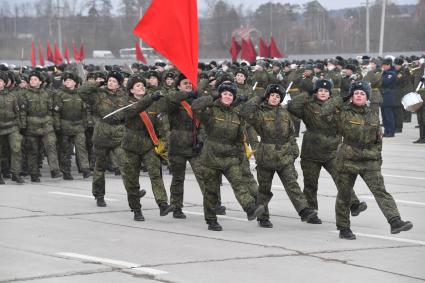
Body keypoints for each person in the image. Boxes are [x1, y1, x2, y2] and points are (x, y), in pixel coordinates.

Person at [321, 81, 413, 240]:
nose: (358, 95)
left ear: (367, 97)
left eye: (362, 93)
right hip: (348, 158)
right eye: (356, 93)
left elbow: (378, 139)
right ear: (351, 96)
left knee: (381, 191)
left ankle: (395, 221)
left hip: (369, 159)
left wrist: (377, 156)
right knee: (344, 195)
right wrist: (341, 99)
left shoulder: (373, 114)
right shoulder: (343, 112)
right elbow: (324, 112)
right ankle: (344, 228)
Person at [287, 79, 367, 224]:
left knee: (342, 179)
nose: (323, 93)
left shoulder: (338, 106)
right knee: (311, 185)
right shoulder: (309, 106)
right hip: (312, 151)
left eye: (326, 91)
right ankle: (312, 213)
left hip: (333, 150)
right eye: (320, 90)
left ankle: (353, 204)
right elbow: (292, 106)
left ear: (330, 93)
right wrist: (307, 94)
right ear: (316, 92)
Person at [240, 84, 317, 228]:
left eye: (277, 96)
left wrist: (294, 152)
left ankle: (304, 210)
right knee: (264, 188)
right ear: (267, 97)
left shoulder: (284, 113)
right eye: (272, 96)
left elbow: (291, 134)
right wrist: (258, 97)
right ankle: (263, 217)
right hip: (266, 155)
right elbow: (245, 112)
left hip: (284, 155)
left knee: (292, 184)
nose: (275, 98)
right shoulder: (259, 113)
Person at [192, 82, 265, 231]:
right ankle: (211, 220)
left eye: (230, 95)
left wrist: (239, 157)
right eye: (224, 93)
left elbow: (240, 139)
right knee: (211, 191)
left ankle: (250, 208)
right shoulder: (211, 110)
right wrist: (210, 97)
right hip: (211, 156)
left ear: (234, 98)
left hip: (230, 157)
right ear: (220, 95)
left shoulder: (236, 115)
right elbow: (195, 107)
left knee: (239, 183)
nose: (227, 96)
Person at [121, 75, 174, 221]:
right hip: (131, 144)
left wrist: (163, 141)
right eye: (137, 86)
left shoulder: (153, 104)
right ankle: (136, 209)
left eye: (143, 85)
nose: (141, 87)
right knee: (132, 179)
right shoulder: (126, 102)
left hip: (147, 143)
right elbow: (135, 110)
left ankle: (162, 204)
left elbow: (158, 123)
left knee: (155, 173)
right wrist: (151, 98)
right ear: (131, 90)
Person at [78, 71, 128, 207]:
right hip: (102, 134)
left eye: (114, 81)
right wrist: (97, 83)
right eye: (109, 80)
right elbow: (81, 92)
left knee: (125, 164)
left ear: (119, 84)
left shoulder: (124, 96)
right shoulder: (98, 94)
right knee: (100, 167)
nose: (111, 83)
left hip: (118, 134)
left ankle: (132, 191)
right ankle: (99, 195)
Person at [165, 74, 209, 219]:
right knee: (178, 178)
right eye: (185, 83)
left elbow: (202, 124)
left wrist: (201, 140)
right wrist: (186, 94)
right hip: (177, 146)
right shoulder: (174, 101)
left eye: (190, 83)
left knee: (203, 176)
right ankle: (177, 207)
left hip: (194, 145)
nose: (189, 85)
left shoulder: (196, 101)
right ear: (178, 86)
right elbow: (170, 100)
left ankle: (211, 206)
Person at [20, 71, 62, 182]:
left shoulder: (48, 93)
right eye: (31, 79)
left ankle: (54, 170)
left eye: (35, 79)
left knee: (51, 146)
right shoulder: (24, 94)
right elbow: (23, 111)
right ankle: (34, 173)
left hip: (47, 124)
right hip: (31, 125)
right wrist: (23, 126)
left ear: (41, 81)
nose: (32, 81)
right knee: (33, 150)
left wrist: (56, 124)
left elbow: (54, 110)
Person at [54, 71, 91, 180]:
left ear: (75, 82)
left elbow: (85, 111)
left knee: (81, 148)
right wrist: (57, 125)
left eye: (70, 80)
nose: (67, 82)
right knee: (65, 150)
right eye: (66, 81)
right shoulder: (60, 95)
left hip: (79, 125)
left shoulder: (80, 94)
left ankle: (85, 169)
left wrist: (86, 123)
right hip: (65, 125)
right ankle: (66, 171)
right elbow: (56, 112)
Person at [0, 71, 24, 184]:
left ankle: (16, 173)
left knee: (16, 148)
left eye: (0, 81)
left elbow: (18, 112)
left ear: (4, 83)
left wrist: (19, 125)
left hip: (12, 126)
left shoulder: (12, 96)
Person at [380, 58, 397, 137]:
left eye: (384, 65)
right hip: (383, 96)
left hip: (388, 95)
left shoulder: (392, 73)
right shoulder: (384, 73)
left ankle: (391, 131)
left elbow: (386, 82)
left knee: (389, 116)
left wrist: (379, 76)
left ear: (388, 65)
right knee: (384, 116)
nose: (382, 67)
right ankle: (386, 131)